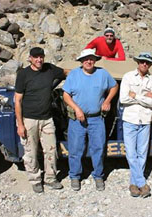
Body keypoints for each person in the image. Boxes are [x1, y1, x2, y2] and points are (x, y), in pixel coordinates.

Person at [63, 48, 119, 191]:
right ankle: (75, 176)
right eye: (86, 59)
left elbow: (114, 86)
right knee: (75, 149)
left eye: (91, 58)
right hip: (77, 119)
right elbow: (66, 95)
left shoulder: (102, 73)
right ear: (81, 61)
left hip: (97, 119)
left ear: (95, 60)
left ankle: (98, 175)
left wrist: (107, 101)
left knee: (98, 148)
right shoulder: (74, 74)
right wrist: (76, 109)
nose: (89, 61)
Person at [15, 47, 68, 193]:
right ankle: (35, 180)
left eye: (41, 57)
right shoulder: (23, 74)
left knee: (51, 150)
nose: (39, 60)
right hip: (29, 120)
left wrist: (84, 72)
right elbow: (17, 100)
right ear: (30, 58)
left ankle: (50, 178)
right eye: (36, 57)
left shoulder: (49, 69)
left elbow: (65, 72)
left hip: (47, 119)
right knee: (30, 152)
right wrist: (20, 124)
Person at [119, 52, 152, 198]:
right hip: (130, 119)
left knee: (142, 153)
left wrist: (135, 95)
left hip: (145, 119)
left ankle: (133, 184)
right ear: (138, 62)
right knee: (131, 153)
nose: (144, 64)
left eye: (147, 63)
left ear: (150, 65)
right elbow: (123, 98)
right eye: (142, 61)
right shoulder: (128, 77)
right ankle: (142, 182)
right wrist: (144, 96)